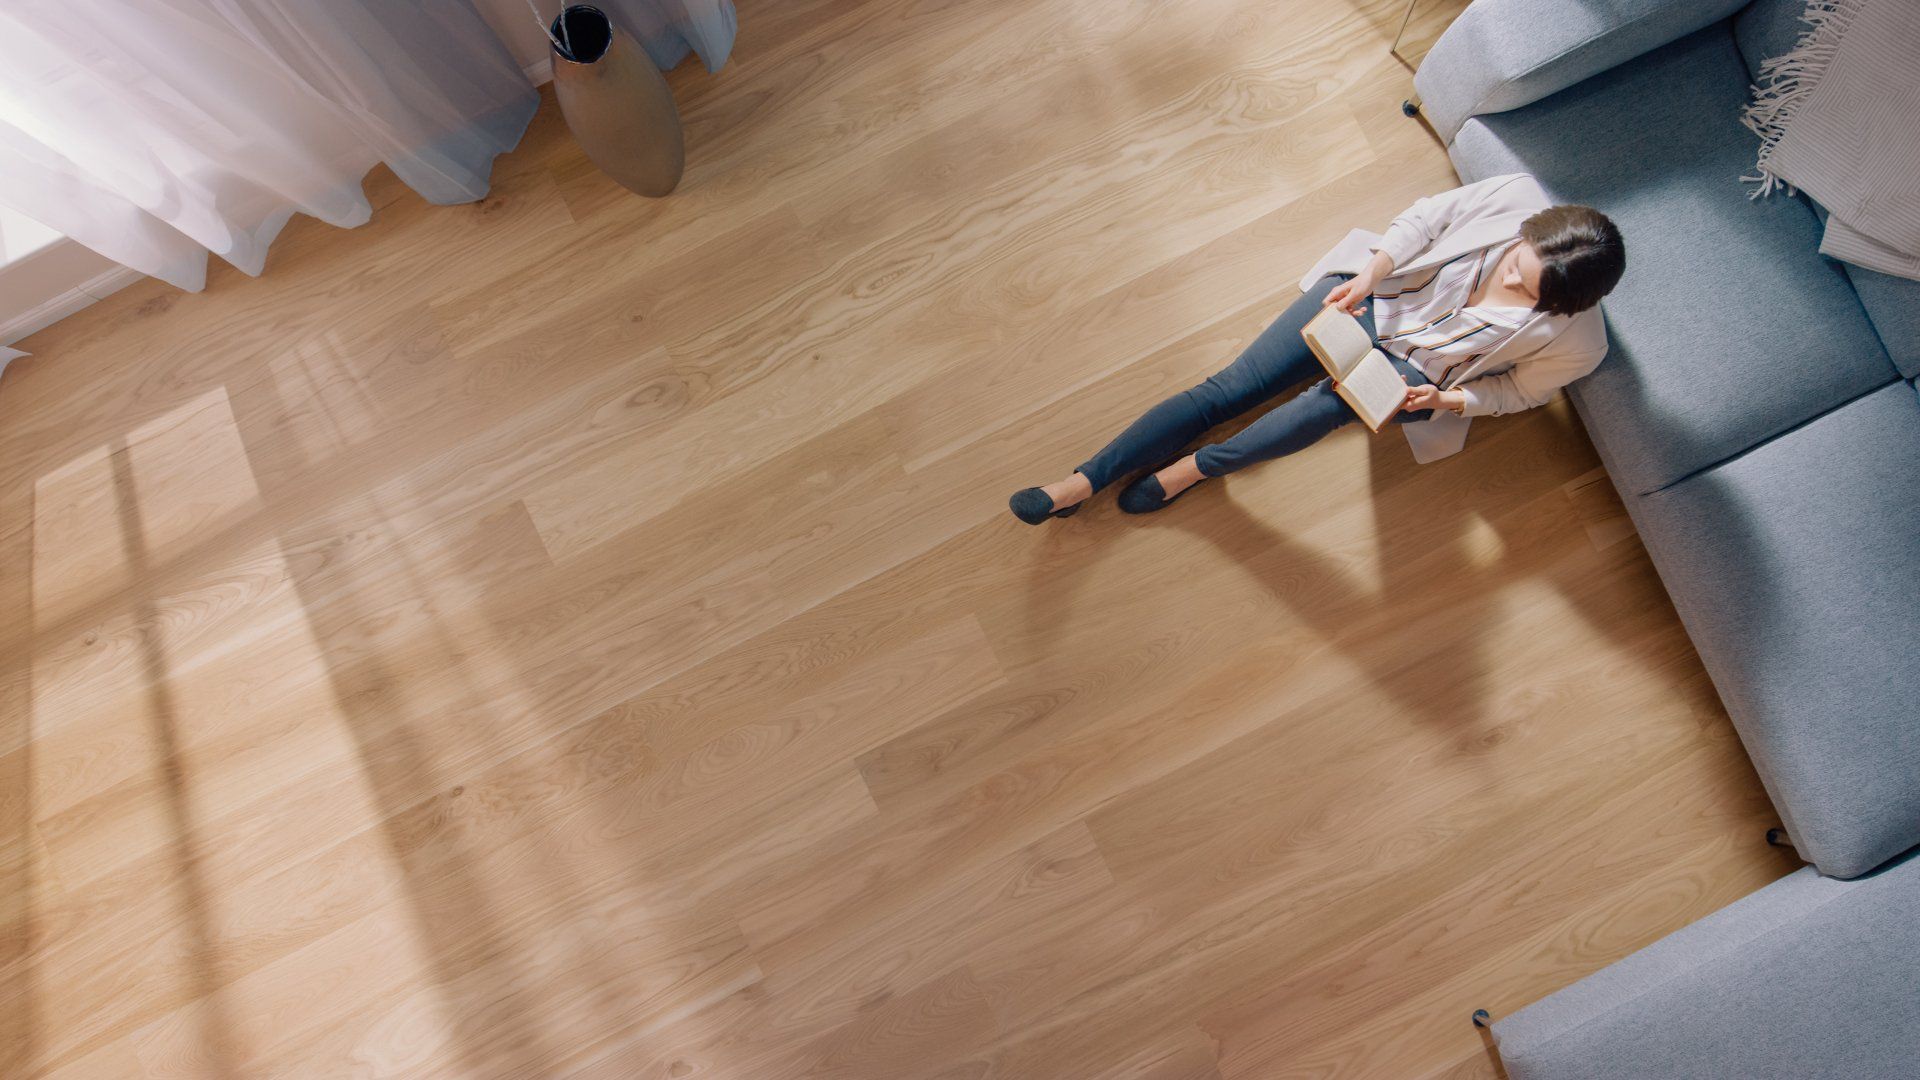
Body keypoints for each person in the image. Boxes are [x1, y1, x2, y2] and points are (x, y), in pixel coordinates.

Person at [1008, 173, 1625, 523]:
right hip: (1373, 298)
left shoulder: (1580, 342)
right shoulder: (1517, 198)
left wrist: (1450, 400)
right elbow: (1424, 220)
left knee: (1319, 411)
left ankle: (1194, 469)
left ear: (1565, 305)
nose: (1513, 280)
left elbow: (1518, 392)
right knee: (1230, 389)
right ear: (1528, 234)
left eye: (1529, 292)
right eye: (1518, 264)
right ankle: (1081, 484)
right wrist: (1371, 271)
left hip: (1416, 368)